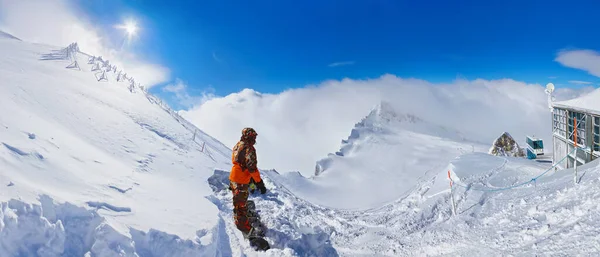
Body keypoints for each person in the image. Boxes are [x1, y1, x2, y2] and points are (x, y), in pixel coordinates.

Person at [229, 127, 267, 237]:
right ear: (249, 136)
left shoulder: (238, 144)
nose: (255, 139)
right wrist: (259, 182)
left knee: (239, 200)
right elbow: (252, 168)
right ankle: (246, 230)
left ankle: (243, 215)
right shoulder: (249, 148)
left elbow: (238, 162)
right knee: (240, 206)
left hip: (234, 177)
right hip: (241, 180)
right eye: (253, 136)